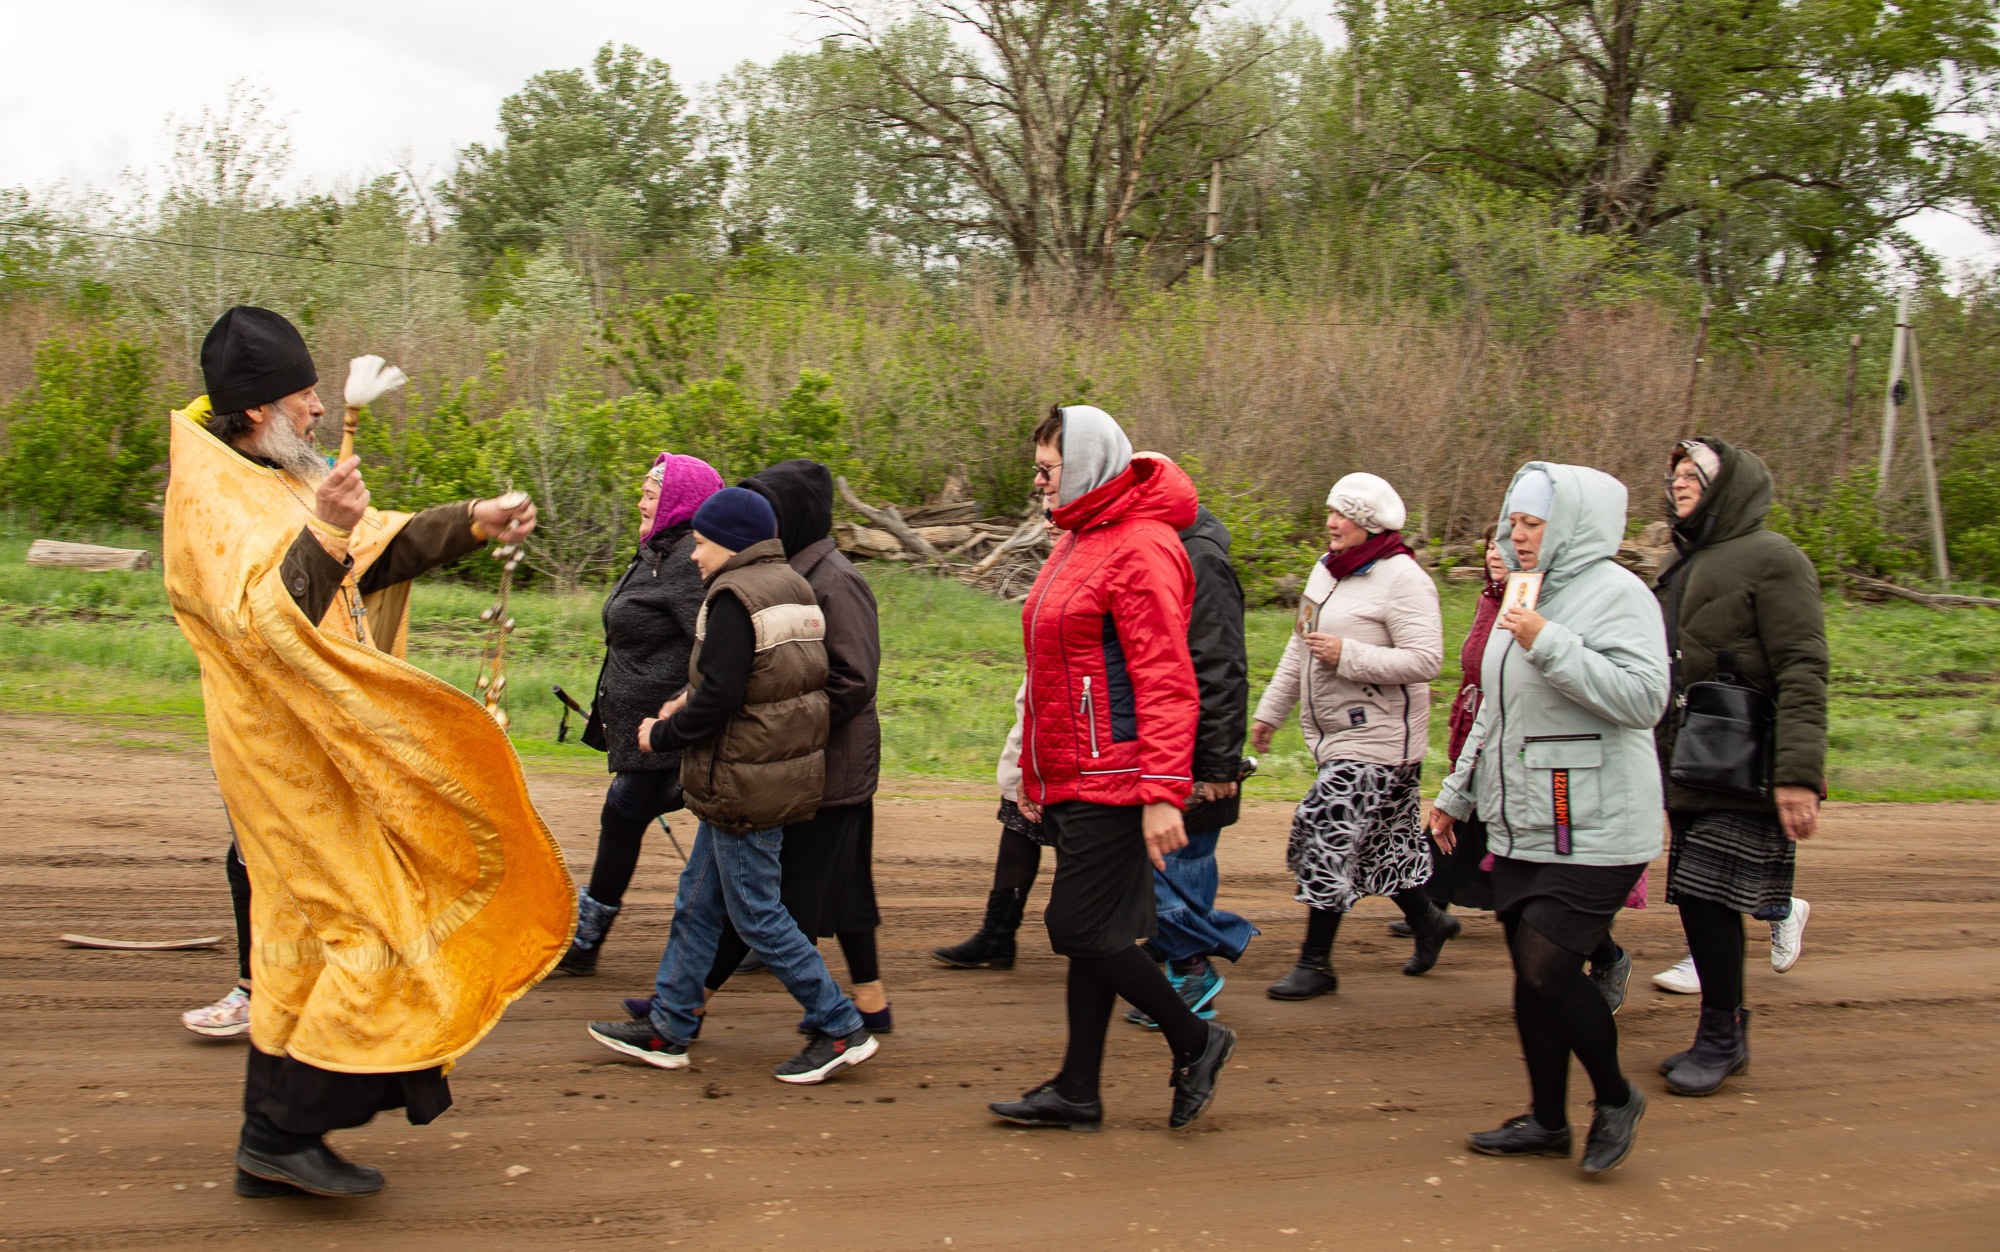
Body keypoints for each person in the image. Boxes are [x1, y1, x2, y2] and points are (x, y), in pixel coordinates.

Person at [163, 306, 572, 1198]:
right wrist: (325, 534)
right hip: (282, 764)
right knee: (370, 924)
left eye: (316, 396)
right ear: (255, 410)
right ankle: (287, 1126)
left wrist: (476, 519)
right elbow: (256, 624)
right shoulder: (207, 502)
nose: (316, 412)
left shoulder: (269, 474)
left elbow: (373, 550)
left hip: (327, 751)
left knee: (310, 935)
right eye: (303, 398)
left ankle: (271, 1139)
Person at [988, 405, 1234, 1134]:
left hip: (1120, 775)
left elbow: (1167, 675)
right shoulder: (1081, 536)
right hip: (1075, 771)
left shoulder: (1143, 546)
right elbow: (1053, 669)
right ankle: (1077, 1088)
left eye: (1046, 469)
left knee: (1078, 926)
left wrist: (1162, 793)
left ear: (1088, 464)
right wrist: (1034, 776)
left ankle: (1197, 1038)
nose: (1037, 483)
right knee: (1098, 930)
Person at [585, 487, 879, 1085]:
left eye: (703, 542)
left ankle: (839, 1022)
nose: (694, 555)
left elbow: (720, 697)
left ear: (732, 543)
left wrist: (659, 735)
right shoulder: (792, 587)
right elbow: (773, 683)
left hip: (742, 779)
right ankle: (669, 1025)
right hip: (770, 771)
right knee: (696, 903)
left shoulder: (732, 597)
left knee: (757, 914)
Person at [1432, 462, 1669, 1176]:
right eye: (1515, 520)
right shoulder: (1522, 592)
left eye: (1533, 523)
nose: (1517, 534)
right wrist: (1456, 793)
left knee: (1548, 967)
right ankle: (1545, 1118)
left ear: (1572, 524)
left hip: (1597, 822)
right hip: (1524, 818)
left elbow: (1643, 700)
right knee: (1529, 974)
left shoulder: (1620, 595)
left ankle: (1616, 1098)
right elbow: (1497, 706)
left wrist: (1548, 640)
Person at [934, 506, 1257, 1020]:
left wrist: (1215, 765)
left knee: (1168, 875)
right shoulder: (1136, 548)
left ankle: (1195, 973)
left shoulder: (1197, 559)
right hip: (1137, 747)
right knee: (1151, 878)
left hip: (1179, 753)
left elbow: (1215, 667)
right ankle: (1180, 973)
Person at [1651, 438, 1826, 1096]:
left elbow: (1804, 667)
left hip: (1747, 760)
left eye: (1696, 475)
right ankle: (1721, 1031)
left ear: (1733, 486)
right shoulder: (1679, 564)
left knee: (1709, 894)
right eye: (1676, 476)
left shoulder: (1775, 559)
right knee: (1696, 899)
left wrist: (1798, 775)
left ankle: (1723, 1037)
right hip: (1685, 760)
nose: (1681, 484)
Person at [692, 459, 892, 1030]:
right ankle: (871, 1004)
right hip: (812, 760)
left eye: (771, 515)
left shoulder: (836, 581)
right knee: (843, 889)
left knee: (767, 898)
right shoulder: (793, 577)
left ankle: (689, 1002)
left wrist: (774, 723)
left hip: (827, 763)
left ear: (796, 518)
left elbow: (854, 680)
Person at [1250, 472, 1448, 999]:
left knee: (1328, 824)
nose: (1331, 523)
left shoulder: (1404, 578)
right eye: (1331, 513)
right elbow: (1301, 645)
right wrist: (1272, 711)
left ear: (1368, 524)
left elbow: (1427, 659)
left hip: (1381, 740)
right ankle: (1430, 923)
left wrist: (1350, 656)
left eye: (1343, 516)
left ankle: (1316, 963)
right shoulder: (1326, 571)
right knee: (1383, 847)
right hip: (1337, 734)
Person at [557, 453, 722, 974]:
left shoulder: (687, 563)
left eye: (651, 494)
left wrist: (683, 705)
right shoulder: (656, 553)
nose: (640, 501)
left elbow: (716, 643)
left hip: (669, 731)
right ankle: (756, 929)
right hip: (642, 729)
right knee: (716, 828)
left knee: (625, 813)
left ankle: (586, 940)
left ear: (678, 502)